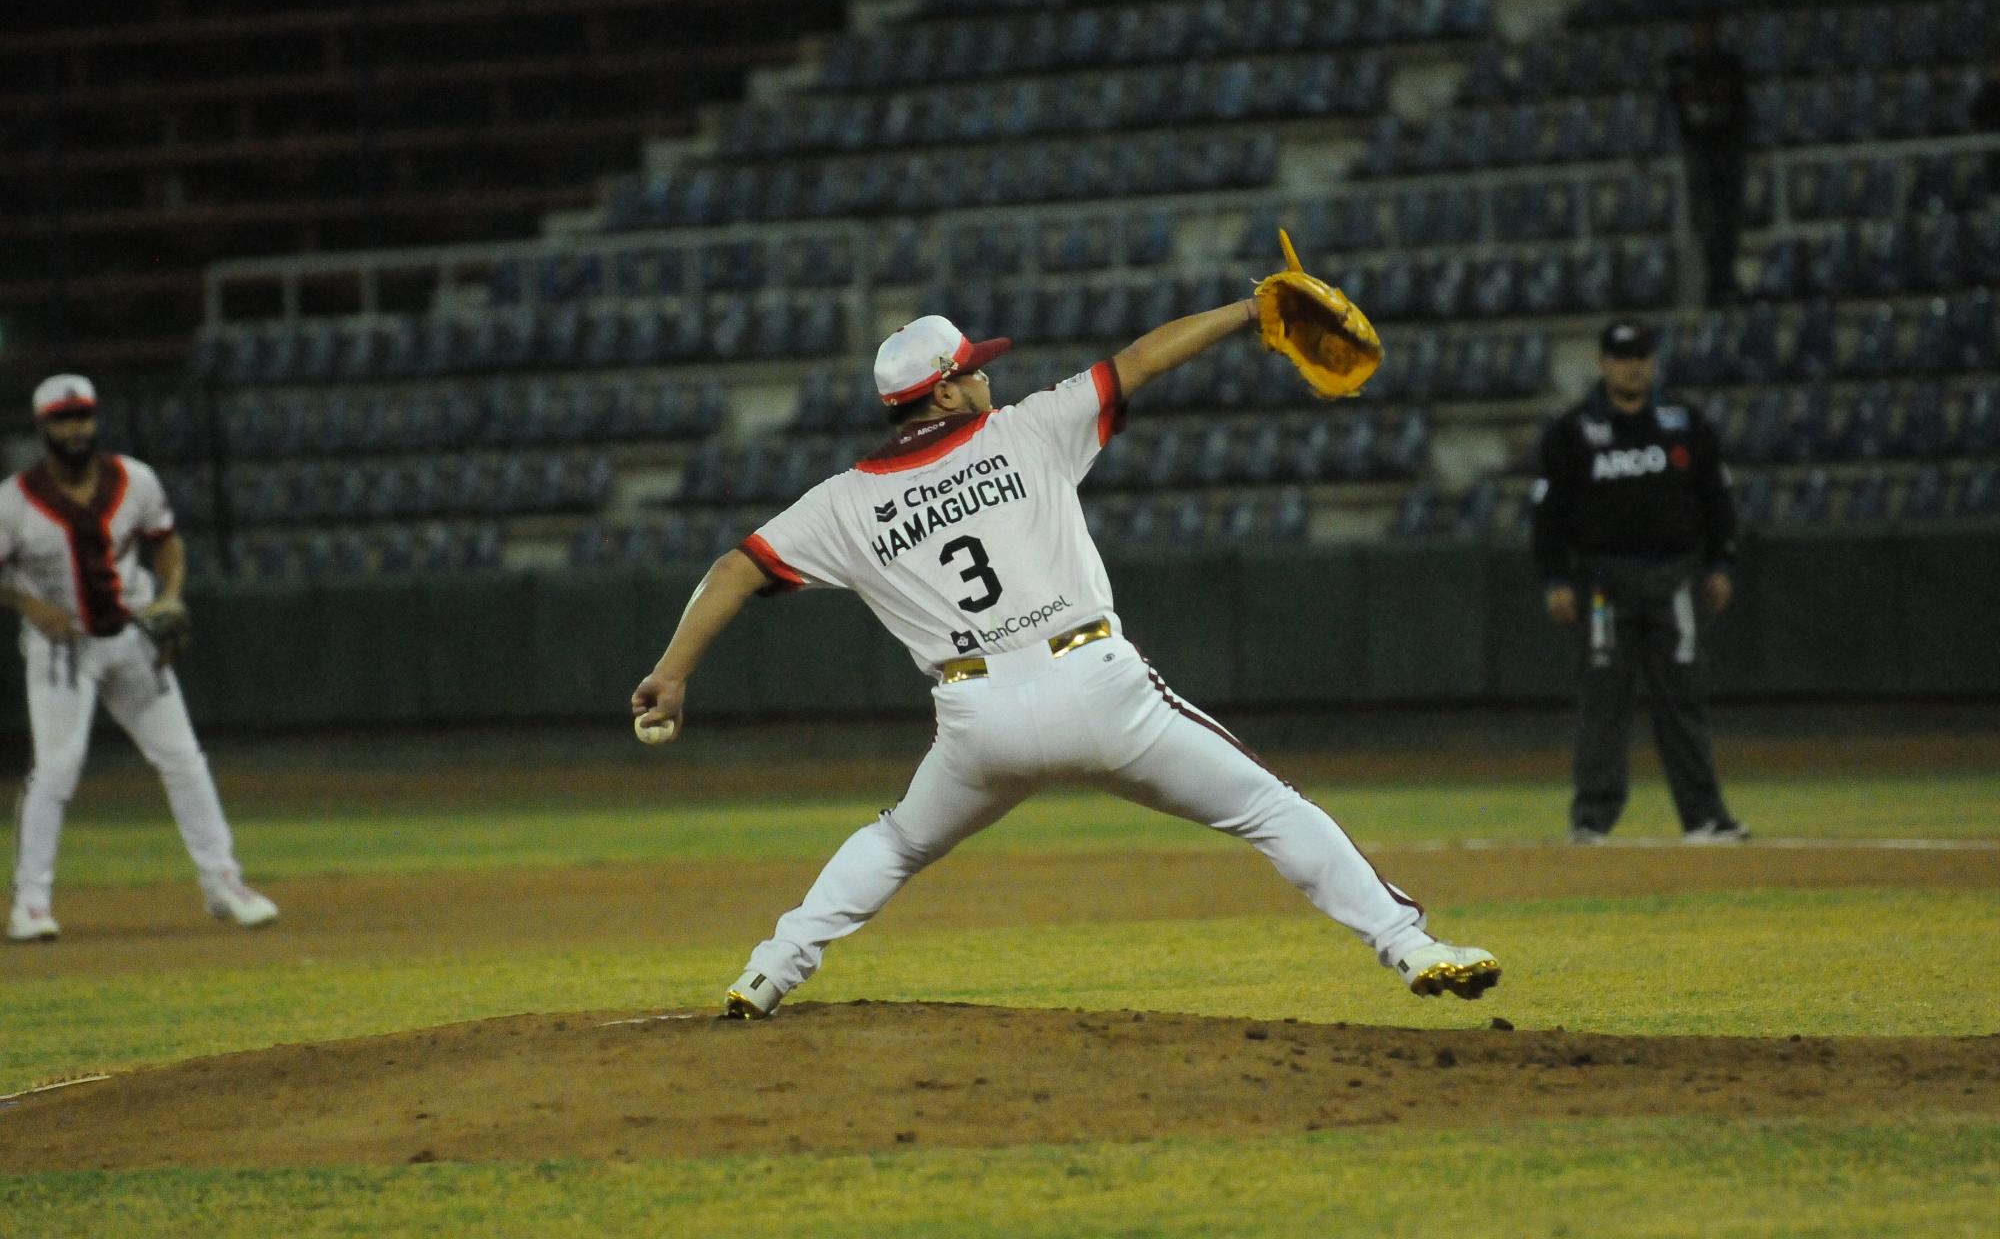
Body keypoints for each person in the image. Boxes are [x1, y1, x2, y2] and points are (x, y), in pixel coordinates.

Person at [631, 306, 1500, 1019]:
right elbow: (1140, 360)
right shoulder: (1027, 430)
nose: (988, 376)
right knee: (1271, 807)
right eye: (974, 368)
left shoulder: (844, 501)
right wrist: (1246, 309)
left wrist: (672, 672)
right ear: (947, 388)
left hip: (979, 721)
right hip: (1098, 685)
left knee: (895, 842)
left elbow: (733, 569)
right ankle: (1411, 946)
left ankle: (770, 972)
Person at [4, 374, 278, 942]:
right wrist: (31, 606)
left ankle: (224, 882)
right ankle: (30, 902)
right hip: (62, 649)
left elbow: (167, 541)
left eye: (82, 416)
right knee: (56, 769)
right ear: (42, 427)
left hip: (131, 639)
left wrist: (172, 595)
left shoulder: (134, 479)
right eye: (63, 418)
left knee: (182, 757)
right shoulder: (14, 501)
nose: (75, 428)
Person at [1531, 321, 1746, 846]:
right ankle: (1591, 820)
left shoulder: (1684, 424)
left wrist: (1719, 563)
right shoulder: (1573, 431)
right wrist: (1556, 577)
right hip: (1602, 580)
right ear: (1603, 363)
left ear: (1653, 362)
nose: (1633, 366)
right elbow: (1548, 512)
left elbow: (1717, 499)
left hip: (1675, 576)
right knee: (1603, 701)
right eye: (1623, 357)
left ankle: (1704, 817)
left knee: (1683, 698)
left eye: (1642, 356)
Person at [1664, 19, 1750, 305]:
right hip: (1698, 151)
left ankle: (1725, 280)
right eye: (1696, 31)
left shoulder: (1727, 64)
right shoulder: (1681, 66)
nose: (1700, 36)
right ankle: (1712, 282)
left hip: (1725, 150)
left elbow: (1739, 106)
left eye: (1705, 31)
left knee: (1727, 222)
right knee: (1705, 223)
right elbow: (1674, 104)